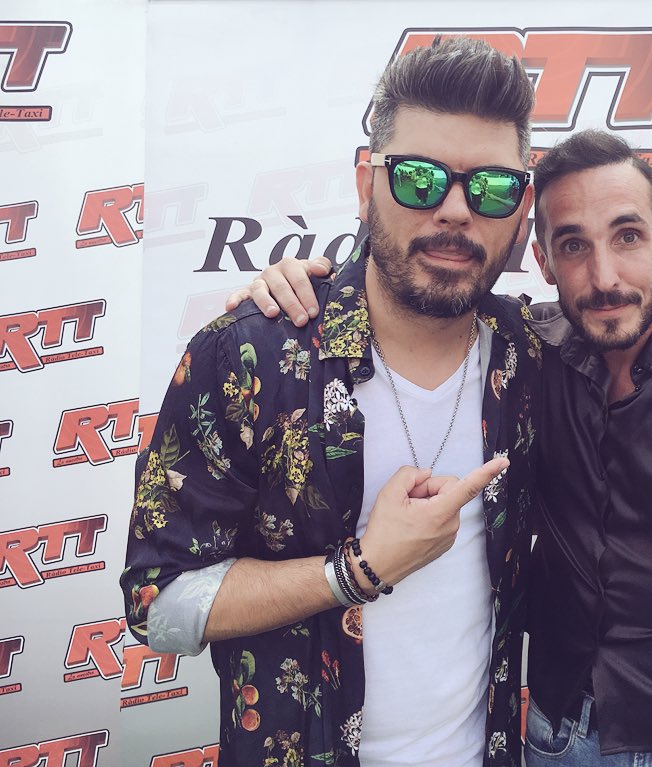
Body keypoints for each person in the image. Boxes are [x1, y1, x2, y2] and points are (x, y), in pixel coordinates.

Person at [237, 129, 652, 765]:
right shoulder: (528, 345)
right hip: (560, 736)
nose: (604, 276)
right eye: (574, 245)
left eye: (628, 236)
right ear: (544, 259)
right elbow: (402, 293)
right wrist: (292, 290)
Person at [121, 37, 541, 767]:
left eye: (493, 188)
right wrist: (353, 572)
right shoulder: (251, 356)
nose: (454, 210)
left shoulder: (529, 355)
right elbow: (157, 607)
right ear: (365, 183)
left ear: (523, 207)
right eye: (419, 178)